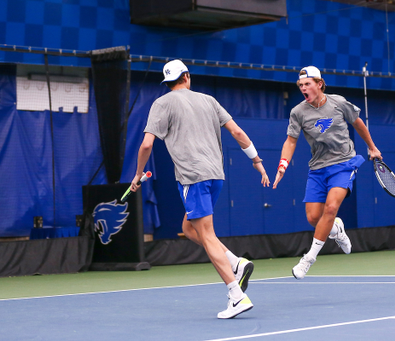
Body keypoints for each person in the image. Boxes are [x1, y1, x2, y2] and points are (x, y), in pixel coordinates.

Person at [130, 59, 270, 319]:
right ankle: (235, 263)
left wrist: (137, 175)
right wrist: (257, 161)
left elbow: (147, 146)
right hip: (216, 176)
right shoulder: (209, 100)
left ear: (168, 82)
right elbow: (238, 133)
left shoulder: (161, 103)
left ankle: (236, 295)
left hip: (192, 177)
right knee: (188, 228)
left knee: (206, 235)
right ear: (187, 76)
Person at [273, 66, 381, 279]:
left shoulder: (338, 103)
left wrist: (371, 146)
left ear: (319, 84)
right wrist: (282, 165)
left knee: (331, 207)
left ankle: (308, 259)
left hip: (344, 163)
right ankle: (336, 230)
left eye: (308, 84)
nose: (304, 88)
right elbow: (290, 141)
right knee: (314, 217)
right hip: (317, 168)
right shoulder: (298, 112)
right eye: (301, 85)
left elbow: (358, 123)